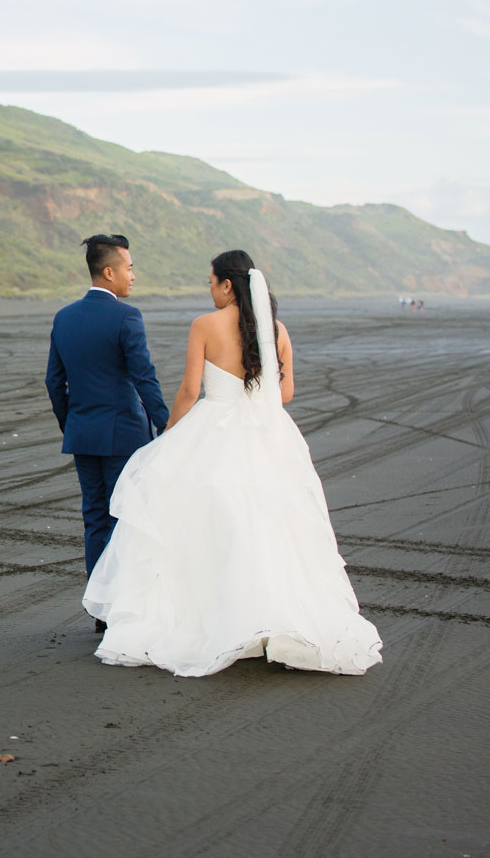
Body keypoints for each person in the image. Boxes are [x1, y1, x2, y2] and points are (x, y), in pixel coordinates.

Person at [84, 249, 383, 677]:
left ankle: (214, 619)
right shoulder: (276, 330)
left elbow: (189, 391)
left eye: (211, 282)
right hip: (267, 434)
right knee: (271, 527)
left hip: (214, 429)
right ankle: (269, 623)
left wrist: (170, 434)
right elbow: (286, 393)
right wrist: (252, 400)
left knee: (206, 526)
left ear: (227, 284)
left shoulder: (204, 326)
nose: (208, 290)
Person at [46, 234, 170, 632]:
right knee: (126, 519)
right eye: (129, 268)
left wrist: (74, 423)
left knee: (95, 519)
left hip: (84, 435)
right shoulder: (126, 317)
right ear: (109, 271)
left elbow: (54, 382)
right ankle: (122, 606)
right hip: (124, 436)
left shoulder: (64, 317)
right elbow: (143, 376)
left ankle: (100, 610)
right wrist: (166, 424)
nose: (133, 276)